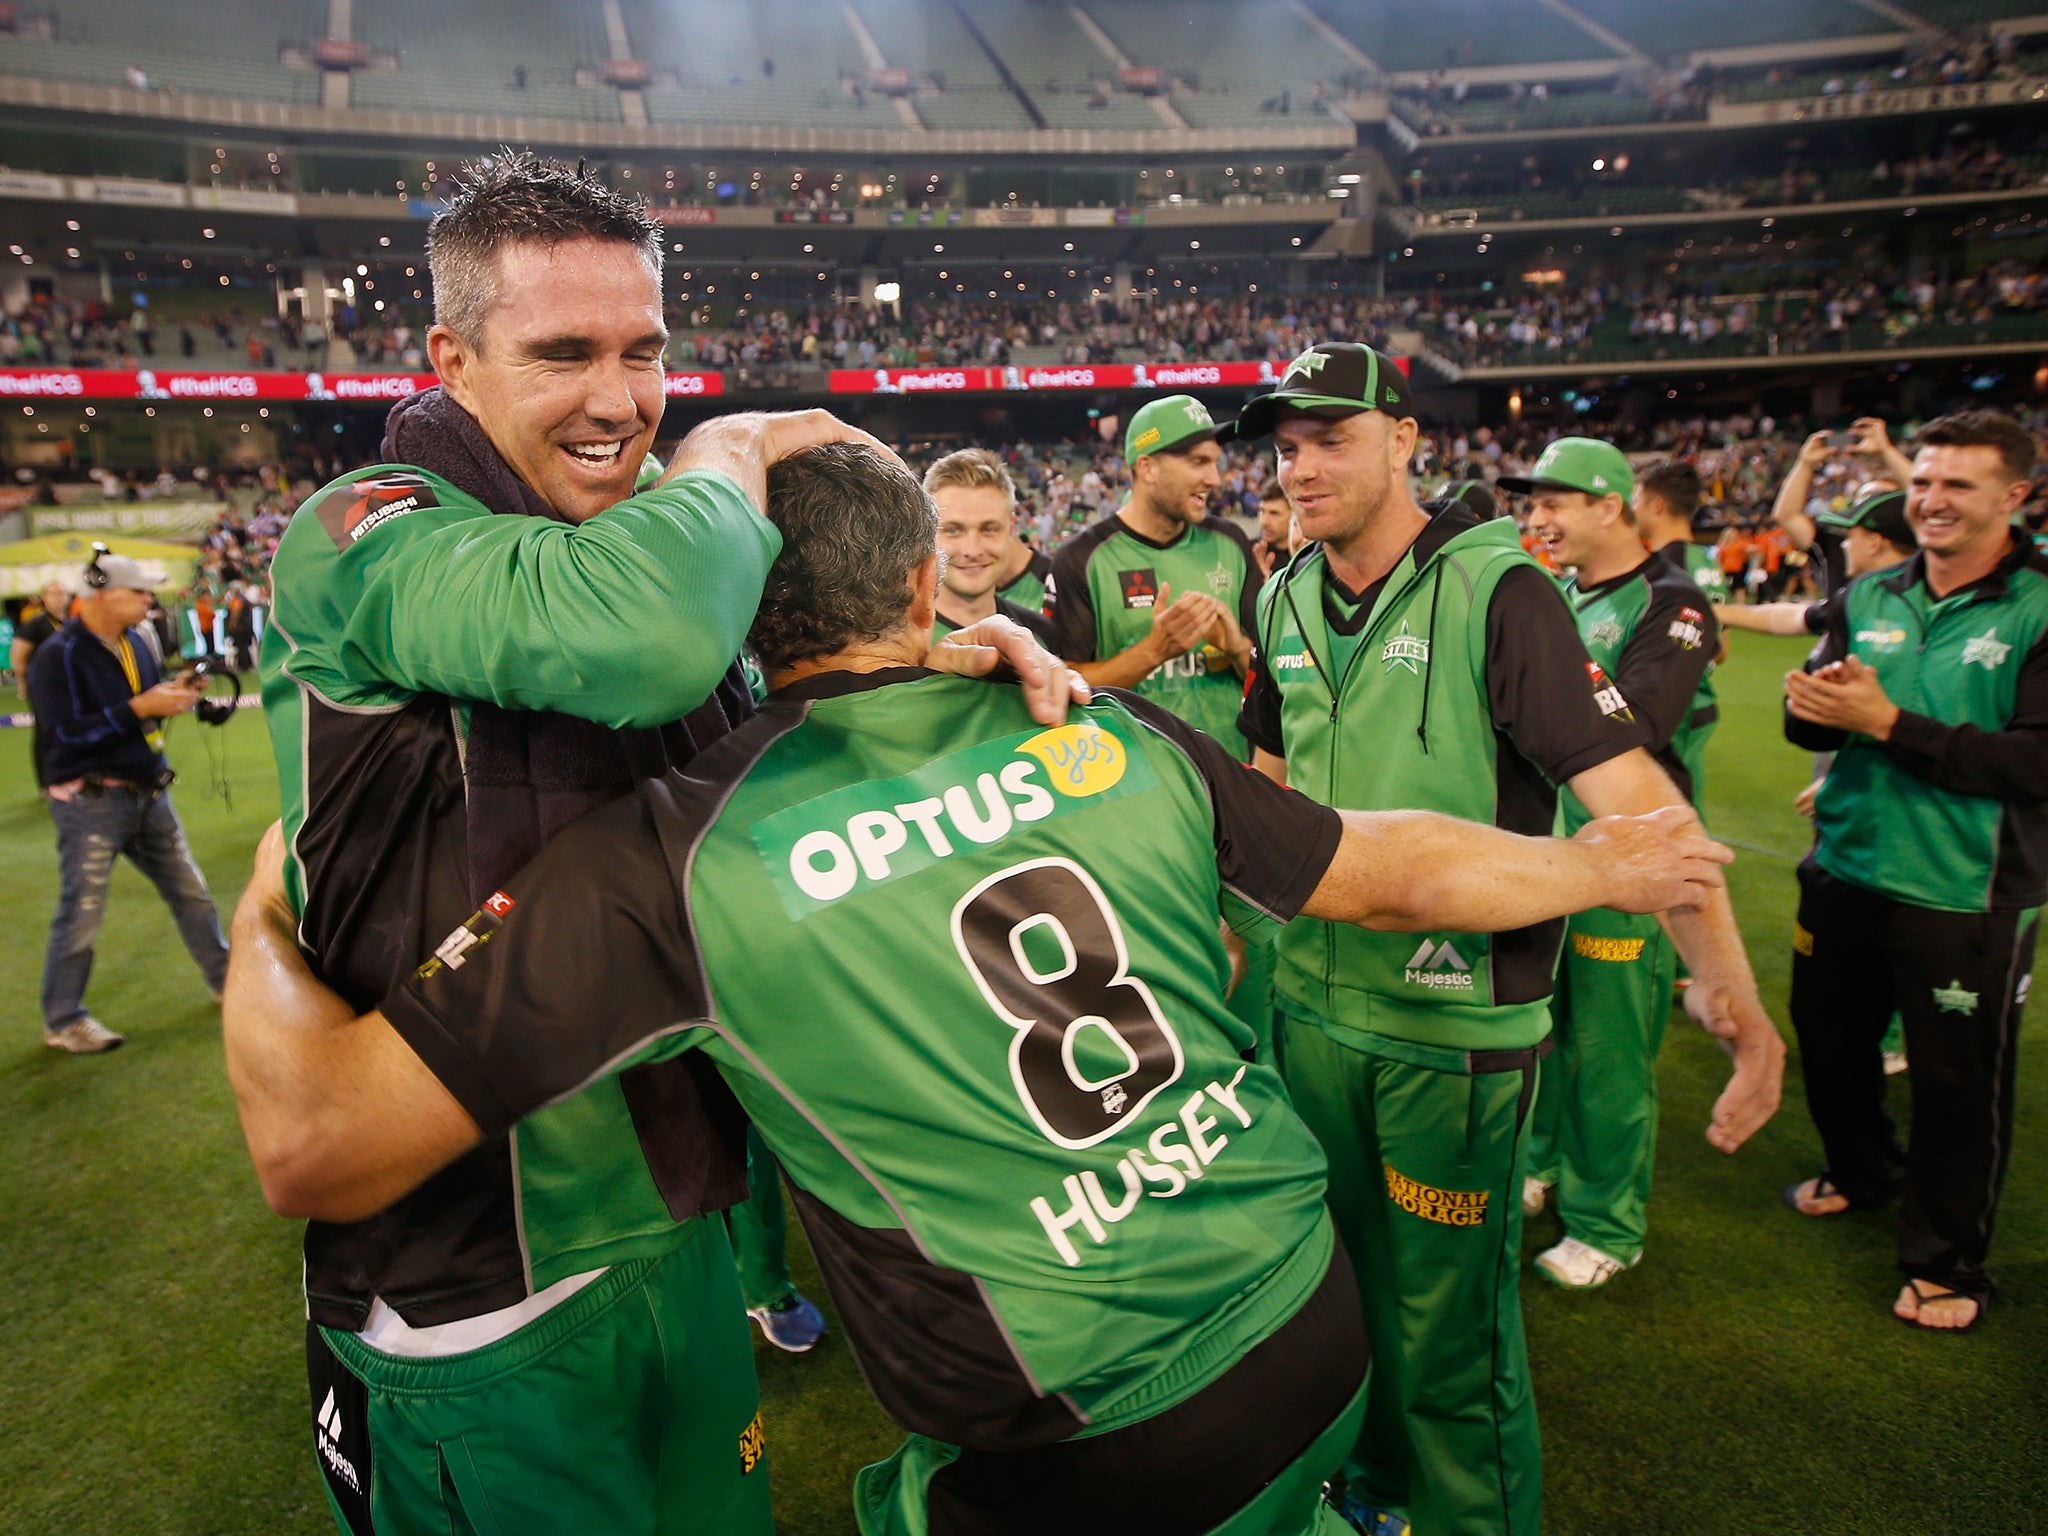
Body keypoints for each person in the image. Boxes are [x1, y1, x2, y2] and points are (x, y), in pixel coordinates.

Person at [225, 441, 1734, 1536]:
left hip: (1079, 1447)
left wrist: (262, 914)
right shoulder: (1095, 728)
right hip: (1306, 1316)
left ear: (731, 622)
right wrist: (1602, 866)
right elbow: (1383, 864)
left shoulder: (673, 851)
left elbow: (317, 1142)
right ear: (921, 576)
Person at [227, 153, 1074, 1536]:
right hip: (480, 1277)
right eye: (563, 353)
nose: (619, 399)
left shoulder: (638, 537)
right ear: (451, 357)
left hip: (673, 1208)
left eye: (645, 352)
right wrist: (728, 449)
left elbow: (769, 730)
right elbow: (642, 637)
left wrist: (958, 655)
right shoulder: (359, 527)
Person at [1235, 343, 1783, 1536]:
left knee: (1449, 1341)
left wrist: (1732, 1003)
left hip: (1453, 1029)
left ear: (1404, 440)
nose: (1301, 467)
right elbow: (1262, 796)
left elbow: (1644, 818)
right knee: (1337, 1306)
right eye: (1284, 447)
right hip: (1310, 1016)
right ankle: (1377, 1496)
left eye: (1331, 437)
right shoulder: (1275, 592)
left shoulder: (1500, 591)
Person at [1782, 409, 2044, 1333]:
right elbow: (1815, 723)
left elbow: (2037, 764)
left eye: (1956, 485)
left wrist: (1891, 725)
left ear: (2015, 496)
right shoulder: (1872, 592)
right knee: (1830, 1042)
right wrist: (1812, 709)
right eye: (1923, 481)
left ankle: (1948, 1263)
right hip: (1845, 864)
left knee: (1954, 1084)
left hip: (1963, 893)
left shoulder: (2041, 604)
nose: (1929, 500)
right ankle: (1862, 1171)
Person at [1510, 439, 1721, 1287]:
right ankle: (1546, 1159)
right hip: (1551, 853)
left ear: (1610, 506)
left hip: (1630, 867)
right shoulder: (1555, 594)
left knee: (1608, 1047)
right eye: (1533, 506)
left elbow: (1636, 728)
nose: (1538, 521)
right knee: (1543, 1029)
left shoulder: (1673, 604)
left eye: (1555, 504)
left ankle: (1607, 1220)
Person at [27, 549, 228, 1053]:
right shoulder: (58, 655)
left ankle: (228, 983)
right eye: (138, 592)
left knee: (193, 895)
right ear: (103, 593)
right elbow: (63, 736)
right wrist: (139, 707)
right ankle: (64, 1020)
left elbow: (141, 707)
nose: (148, 600)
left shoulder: (139, 639)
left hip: (149, 791)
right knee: (82, 912)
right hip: (92, 801)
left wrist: (175, 696)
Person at [1046, 393, 1260, 757]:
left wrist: (1237, 648)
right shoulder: (1080, 559)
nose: (1214, 478)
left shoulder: (1230, 542)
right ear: (1147, 468)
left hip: (1232, 779)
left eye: (1215, 462)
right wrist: (1153, 651)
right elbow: (1064, 685)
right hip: (1136, 782)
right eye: (1199, 462)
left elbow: (1269, 675)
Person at [1714, 489, 1915, 639]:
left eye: (1850, 537)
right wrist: (1716, 611)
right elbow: (1790, 617)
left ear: (1874, 543)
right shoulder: (1858, 597)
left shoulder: (1918, 606)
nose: (1844, 545)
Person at [1771, 418, 1913, 600]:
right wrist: (1805, 464)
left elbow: (1927, 501)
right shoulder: (1837, 542)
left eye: (1879, 498)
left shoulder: (1915, 546)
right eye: (1863, 499)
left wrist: (1887, 451)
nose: (1869, 505)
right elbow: (1786, 516)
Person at [924, 448, 1054, 644]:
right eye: (953, 530)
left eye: (989, 529)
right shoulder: (892, 641)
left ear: (1011, 531)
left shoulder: (1042, 635)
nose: (972, 550)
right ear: (926, 533)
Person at [1252, 479, 1293, 577]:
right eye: (1262, 511)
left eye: (1274, 513)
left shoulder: (1314, 558)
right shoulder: (1251, 554)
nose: (1264, 522)